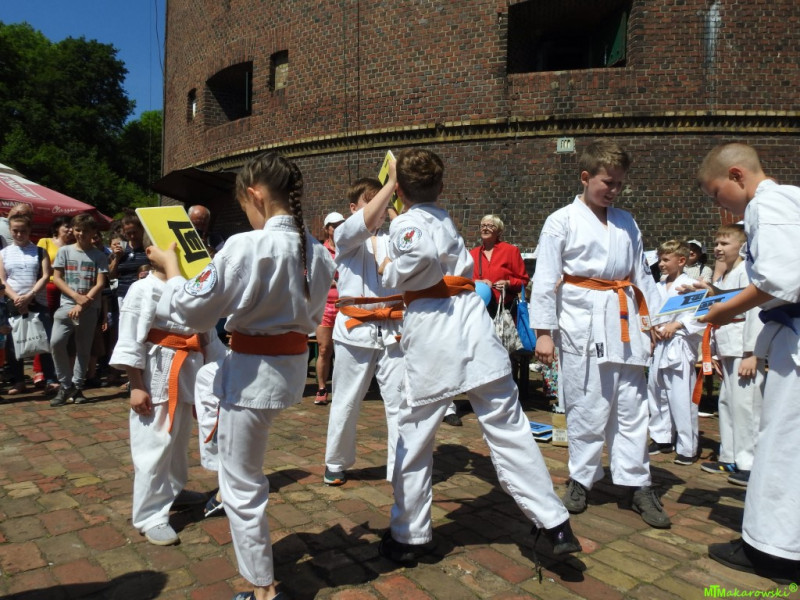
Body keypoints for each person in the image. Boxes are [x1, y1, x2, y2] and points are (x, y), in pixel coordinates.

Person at [378, 148, 580, 565]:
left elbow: (417, 257)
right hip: (474, 332)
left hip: (435, 337)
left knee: (414, 435)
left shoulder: (407, 223)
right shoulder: (445, 220)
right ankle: (554, 522)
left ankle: (409, 536)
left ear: (399, 190)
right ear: (441, 186)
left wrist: (388, 272)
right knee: (509, 429)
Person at [147, 151, 335, 600]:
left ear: (255, 195)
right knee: (215, 395)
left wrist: (171, 271)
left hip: (251, 377)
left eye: (245, 205)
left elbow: (193, 311)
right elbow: (312, 317)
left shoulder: (247, 246)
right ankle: (216, 456)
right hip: (287, 371)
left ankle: (263, 589)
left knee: (241, 484)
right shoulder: (316, 251)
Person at [531, 140, 670, 529]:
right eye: (608, 182)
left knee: (632, 407)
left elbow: (642, 275)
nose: (614, 190)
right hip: (582, 320)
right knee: (586, 404)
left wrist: (654, 321)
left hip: (626, 320)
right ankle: (581, 478)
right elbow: (545, 278)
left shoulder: (627, 222)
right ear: (585, 176)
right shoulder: (561, 220)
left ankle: (637, 482)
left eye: (619, 184)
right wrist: (544, 332)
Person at [697, 142, 800, 584]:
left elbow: (781, 279)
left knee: (782, 441)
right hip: (788, 330)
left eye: (717, 193)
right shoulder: (791, 198)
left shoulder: (766, 204)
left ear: (737, 175)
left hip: (794, 342)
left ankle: (773, 550)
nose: (718, 204)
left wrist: (723, 310)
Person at [110, 262, 225, 546]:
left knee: (178, 440)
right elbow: (130, 337)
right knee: (153, 445)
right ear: (151, 251)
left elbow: (208, 334)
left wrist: (223, 368)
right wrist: (136, 385)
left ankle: (172, 489)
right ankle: (150, 516)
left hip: (190, 370)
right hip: (157, 374)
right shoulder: (143, 288)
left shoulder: (193, 287)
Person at [322, 178, 405, 486]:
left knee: (400, 403)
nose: (380, 208)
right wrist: (391, 183)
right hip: (355, 329)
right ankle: (335, 461)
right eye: (372, 201)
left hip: (394, 328)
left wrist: (396, 214)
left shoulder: (394, 237)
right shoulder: (345, 235)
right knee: (346, 400)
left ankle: (401, 466)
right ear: (353, 208)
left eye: (385, 202)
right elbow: (365, 223)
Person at [698, 224, 764, 486]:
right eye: (716, 243)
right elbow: (718, 305)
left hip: (742, 347)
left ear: (742, 246)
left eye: (725, 244)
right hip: (726, 345)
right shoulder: (725, 275)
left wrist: (752, 352)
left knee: (747, 406)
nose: (718, 248)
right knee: (727, 402)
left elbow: (755, 311)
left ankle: (750, 463)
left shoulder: (748, 271)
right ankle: (730, 455)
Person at [646, 240, 705, 465]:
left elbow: (701, 313)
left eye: (665, 259)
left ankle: (687, 447)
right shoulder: (657, 285)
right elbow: (650, 312)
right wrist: (652, 328)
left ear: (681, 261)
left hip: (679, 344)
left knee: (681, 397)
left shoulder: (691, 284)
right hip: (659, 345)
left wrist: (678, 325)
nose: (661, 264)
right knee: (657, 392)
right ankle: (662, 438)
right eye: (659, 259)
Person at [50, 214, 109, 407]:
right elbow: (57, 278)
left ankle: (77, 386)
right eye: (77, 230)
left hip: (89, 307)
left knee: (83, 349)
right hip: (67, 305)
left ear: (93, 232)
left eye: (85, 230)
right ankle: (65, 384)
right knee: (56, 343)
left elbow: (100, 283)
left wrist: (83, 303)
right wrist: (76, 298)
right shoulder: (64, 251)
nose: (81, 234)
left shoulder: (99, 256)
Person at [0, 213, 58, 395]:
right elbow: (2, 279)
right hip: (13, 302)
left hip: (37, 301)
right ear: (10, 230)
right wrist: (16, 298)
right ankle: (19, 381)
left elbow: (46, 276)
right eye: (15, 231)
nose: (19, 234)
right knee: (13, 343)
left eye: (23, 231)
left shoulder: (39, 251)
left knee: (45, 340)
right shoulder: (4, 253)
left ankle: (50, 379)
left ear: (29, 230)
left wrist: (30, 295)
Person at [35, 216, 75, 387]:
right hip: (49, 288)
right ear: (57, 228)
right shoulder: (45, 242)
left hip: (67, 290)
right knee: (45, 329)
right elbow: (38, 266)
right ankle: (39, 370)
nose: (70, 230)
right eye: (67, 226)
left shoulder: (74, 246)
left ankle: (60, 371)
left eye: (72, 227)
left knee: (62, 332)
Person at [470, 214, 529, 320]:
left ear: (499, 231)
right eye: (483, 226)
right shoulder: (473, 254)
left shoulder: (511, 251)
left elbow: (524, 281)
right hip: (479, 308)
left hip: (505, 308)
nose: (485, 228)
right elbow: (465, 280)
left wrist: (508, 283)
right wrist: (478, 282)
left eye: (490, 226)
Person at [314, 211, 344, 405]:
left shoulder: (349, 248)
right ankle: (322, 388)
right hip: (325, 306)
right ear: (327, 229)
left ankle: (342, 390)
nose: (338, 228)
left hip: (344, 305)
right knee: (324, 349)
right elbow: (311, 277)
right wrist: (329, 282)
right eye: (334, 225)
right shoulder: (320, 251)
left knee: (344, 350)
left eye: (341, 224)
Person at [109, 212, 150, 307]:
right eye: (128, 233)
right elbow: (111, 276)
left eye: (134, 232)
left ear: (142, 229)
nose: (132, 236)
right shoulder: (121, 248)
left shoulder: (148, 248)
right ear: (124, 232)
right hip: (124, 295)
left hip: (143, 295)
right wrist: (117, 258)